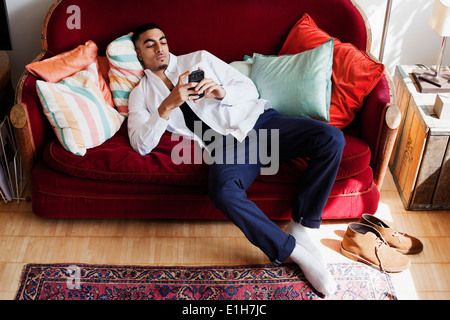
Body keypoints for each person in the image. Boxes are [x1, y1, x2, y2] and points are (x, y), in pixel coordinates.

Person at [128, 23, 345, 296]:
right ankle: (293, 252)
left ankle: (301, 225)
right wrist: (166, 106)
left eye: (162, 40)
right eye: (150, 44)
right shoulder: (141, 94)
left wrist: (221, 92)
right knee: (222, 190)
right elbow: (140, 144)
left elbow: (250, 89)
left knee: (331, 138)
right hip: (226, 147)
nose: (160, 48)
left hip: (259, 122)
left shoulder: (199, 60)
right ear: (138, 52)